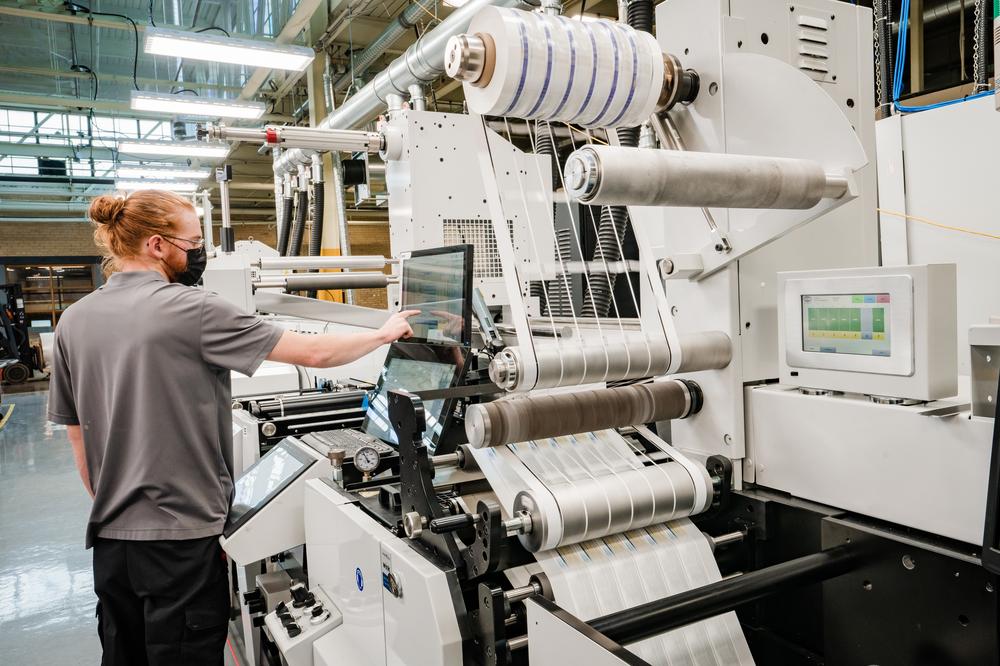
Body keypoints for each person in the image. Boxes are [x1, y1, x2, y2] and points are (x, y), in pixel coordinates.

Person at [46, 190, 416, 666]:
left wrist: (117, 500)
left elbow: (79, 439)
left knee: (123, 654)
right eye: (194, 240)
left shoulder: (73, 320)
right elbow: (315, 354)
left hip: (112, 541)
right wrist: (384, 333)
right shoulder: (193, 309)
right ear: (157, 245)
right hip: (180, 541)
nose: (200, 251)